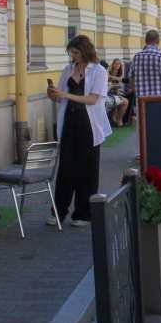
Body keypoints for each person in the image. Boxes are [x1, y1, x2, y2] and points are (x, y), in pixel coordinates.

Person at [47, 35, 111, 228]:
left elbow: (93, 99)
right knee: (66, 169)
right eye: (71, 52)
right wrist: (53, 94)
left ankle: (83, 213)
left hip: (89, 125)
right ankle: (58, 211)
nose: (73, 56)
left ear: (85, 51)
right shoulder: (68, 69)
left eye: (75, 52)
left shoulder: (99, 71)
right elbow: (61, 97)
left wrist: (65, 94)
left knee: (87, 170)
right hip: (69, 122)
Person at [130, 29, 161, 103]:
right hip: (160, 100)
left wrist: (136, 94)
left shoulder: (136, 57)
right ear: (158, 41)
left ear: (145, 41)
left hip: (142, 102)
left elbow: (132, 78)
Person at [105, 59, 130, 127]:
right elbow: (108, 85)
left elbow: (120, 85)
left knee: (127, 96)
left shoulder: (120, 73)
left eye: (119, 64)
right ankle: (117, 120)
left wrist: (114, 81)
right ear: (112, 64)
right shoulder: (108, 72)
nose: (117, 65)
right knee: (123, 100)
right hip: (108, 93)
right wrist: (114, 84)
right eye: (116, 63)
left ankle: (119, 119)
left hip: (115, 92)